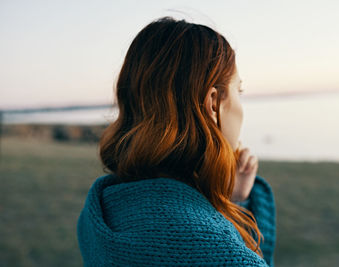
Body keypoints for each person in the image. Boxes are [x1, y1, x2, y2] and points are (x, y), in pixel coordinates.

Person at [77, 16, 276, 266]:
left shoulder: (98, 216)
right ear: (213, 104)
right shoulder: (224, 257)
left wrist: (229, 199)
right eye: (239, 91)